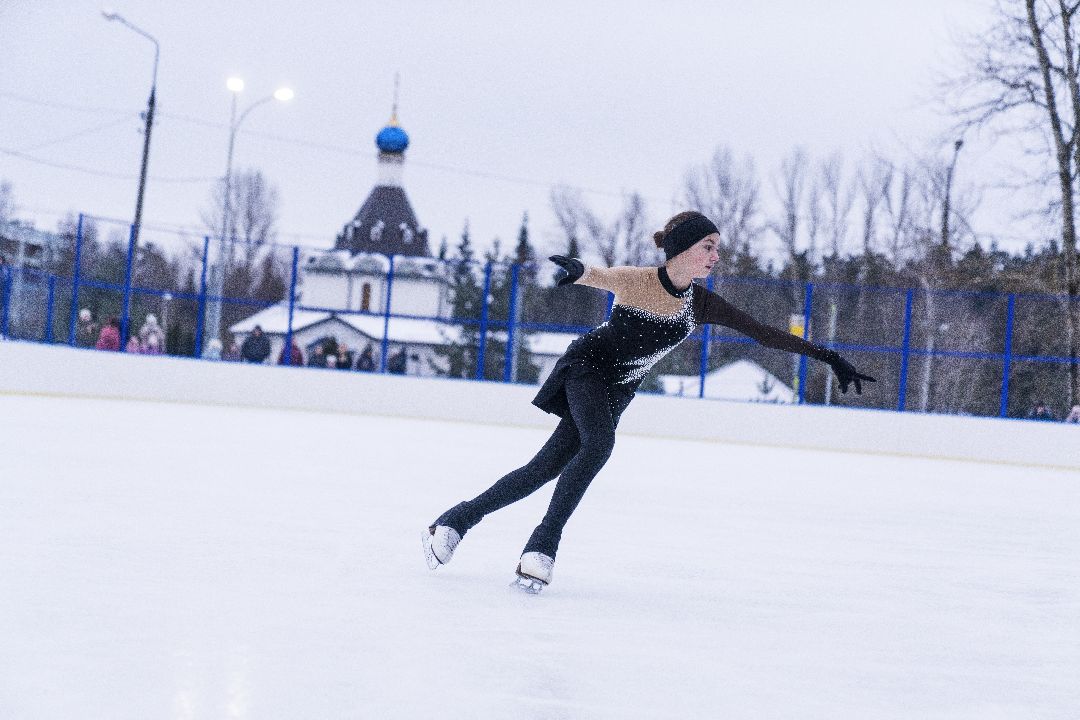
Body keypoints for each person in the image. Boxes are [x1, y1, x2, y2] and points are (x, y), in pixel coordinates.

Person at [422, 211, 876, 593]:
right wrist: (579, 271)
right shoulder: (640, 283)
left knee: (542, 469)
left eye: (717, 248)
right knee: (597, 446)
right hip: (586, 369)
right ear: (682, 248)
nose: (715, 256)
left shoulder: (701, 303)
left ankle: (454, 522)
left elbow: (763, 332)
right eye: (708, 247)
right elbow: (599, 276)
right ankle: (542, 547)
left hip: (619, 390)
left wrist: (828, 356)